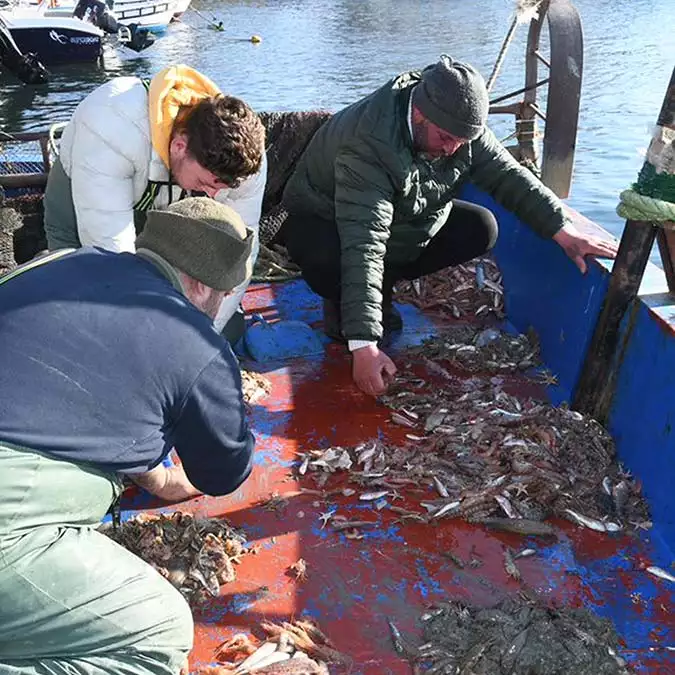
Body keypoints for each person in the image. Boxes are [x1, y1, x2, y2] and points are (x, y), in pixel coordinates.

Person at [0, 197, 256, 675]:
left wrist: (154, 474)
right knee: (159, 636)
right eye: (223, 294)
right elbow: (225, 471)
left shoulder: (65, 261)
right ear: (203, 285)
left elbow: (68, 380)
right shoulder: (197, 341)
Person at [281, 55, 618, 396]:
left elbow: (509, 177)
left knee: (481, 227)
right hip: (329, 220)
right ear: (419, 115)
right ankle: (344, 305)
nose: (454, 148)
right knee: (328, 254)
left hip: (400, 219)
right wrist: (363, 345)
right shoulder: (368, 145)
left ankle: (381, 287)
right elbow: (364, 243)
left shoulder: (458, 125)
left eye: (463, 141)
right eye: (445, 138)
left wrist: (563, 230)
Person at [43, 64, 267, 338]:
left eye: (220, 188)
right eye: (205, 184)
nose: (212, 196)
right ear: (179, 147)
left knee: (226, 331)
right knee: (88, 316)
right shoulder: (112, 123)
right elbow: (113, 259)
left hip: (164, 215)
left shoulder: (246, 161)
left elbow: (235, 257)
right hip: (83, 215)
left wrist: (205, 336)